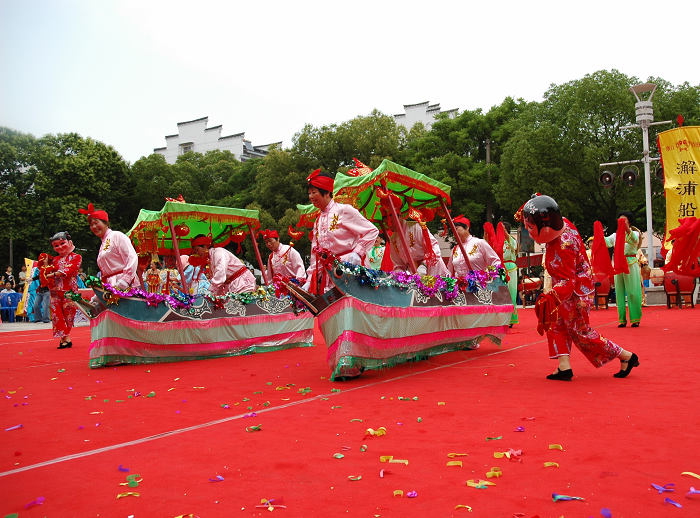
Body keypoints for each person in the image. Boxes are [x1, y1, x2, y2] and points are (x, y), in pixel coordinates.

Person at [517, 194, 639, 380]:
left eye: (531, 227)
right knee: (557, 323)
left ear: (547, 228)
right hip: (566, 286)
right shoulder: (562, 222)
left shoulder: (564, 246)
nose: (528, 230)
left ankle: (626, 356)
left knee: (581, 332)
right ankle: (564, 366)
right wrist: (536, 201)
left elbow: (568, 281)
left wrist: (549, 297)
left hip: (575, 291)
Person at [303, 169, 378, 294]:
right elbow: (315, 255)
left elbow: (371, 231)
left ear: (327, 192)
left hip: (351, 271)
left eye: (314, 192)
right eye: (309, 193)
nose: (310, 197)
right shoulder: (317, 221)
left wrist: (357, 253)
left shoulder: (343, 210)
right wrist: (310, 280)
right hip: (330, 278)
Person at [80, 203, 138, 290]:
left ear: (106, 223)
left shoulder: (117, 235)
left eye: (96, 223)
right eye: (91, 225)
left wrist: (126, 280)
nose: (94, 227)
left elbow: (131, 257)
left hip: (124, 285)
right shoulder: (103, 244)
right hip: (111, 286)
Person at [604, 213, 643, 327]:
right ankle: (622, 319)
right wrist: (599, 235)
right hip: (618, 264)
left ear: (629, 222)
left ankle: (635, 319)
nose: (621, 222)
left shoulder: (634, 233)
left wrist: (626, 229)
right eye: (620, 221)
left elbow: (634, 240)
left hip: (630, 263)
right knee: (619, 293)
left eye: (624, 220)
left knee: (632, 292)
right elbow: (607, 242)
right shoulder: (615, 235)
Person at [386, 211, 450, 277]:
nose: (389, 225)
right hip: (412, 274)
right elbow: (398, 264)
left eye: (391, 221)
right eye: (386, 222)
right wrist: (398, 275)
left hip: (432, 269)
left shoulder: (416, 227)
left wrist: (424, 265)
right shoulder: (393, 239)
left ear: (399, 216)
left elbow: (433, 248)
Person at [190, 234, 256, 295]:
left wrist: (209, 291)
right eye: (195, 252)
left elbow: (220, 275)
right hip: (232, 285)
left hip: (242, 282)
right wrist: (214, 295)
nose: (197, 253)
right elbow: (219, 283)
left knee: (244, 306)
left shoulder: (218, 253)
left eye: (197, 250)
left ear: (205, 246)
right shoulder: (210, 259)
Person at [48, 232, 82, 349]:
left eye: (62, 243)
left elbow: (69, 270)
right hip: (55, 292)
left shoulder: (76, 257)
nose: (60, 247)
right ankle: (65, 338)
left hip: (69, 292)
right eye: (56, 245)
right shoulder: (54, 260)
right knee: (57, 315)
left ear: (69, 242)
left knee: (68, 315)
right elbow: (46, 271)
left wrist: (51, 274)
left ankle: (65, 337)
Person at [502, 222, 519, 326]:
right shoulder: (499, 241)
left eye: (503, 229)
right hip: (500, 268)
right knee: (501, 294)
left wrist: (502, 230)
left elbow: (511, 243)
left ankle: (510, 319)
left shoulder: (511, 240)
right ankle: (502, 318)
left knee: (511, 293)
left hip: (511, 268)